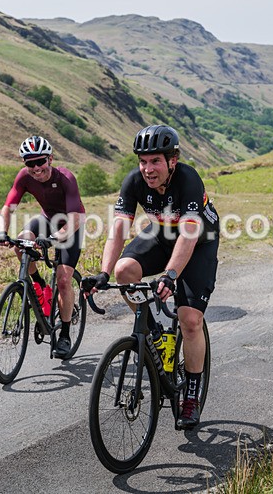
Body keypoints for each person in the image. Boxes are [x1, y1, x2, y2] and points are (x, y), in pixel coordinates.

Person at [85, 124, 219, 429]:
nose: (147, 169)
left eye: (155, 161)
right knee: (124, 270)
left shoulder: (188, 180)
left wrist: (170, 276)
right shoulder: (134, 182)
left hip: (198, 243)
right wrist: (104, 273)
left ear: (172, 160)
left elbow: (188, 236)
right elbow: (118, 231)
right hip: (161, 235)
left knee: (190, 320)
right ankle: (154, 333)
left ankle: (191, 396)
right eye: (142, 161)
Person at [0, 135, 85, 358]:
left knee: (64, 280)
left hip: (71, 225)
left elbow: (75, 218)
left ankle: (64, 335)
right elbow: (8, 206)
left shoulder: (66, 177)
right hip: (46, 219)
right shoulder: (25, 177)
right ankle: (39, 284)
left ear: (50, 159)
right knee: (21, 243)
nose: (36, 168)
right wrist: (1, 232)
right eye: (30, 163)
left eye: (40, 161)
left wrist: (55, 238)